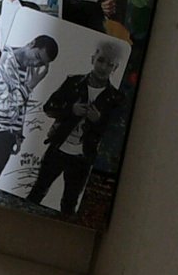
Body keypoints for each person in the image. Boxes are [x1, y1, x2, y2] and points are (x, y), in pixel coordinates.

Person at [27, 40, 123, 215]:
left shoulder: (115, 98)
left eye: (110, 64)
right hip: (58, 147)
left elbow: (115, 135)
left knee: (69, 203)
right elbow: (49, 107)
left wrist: (98, 120)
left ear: (115, 68)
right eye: (101, 60)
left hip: (83, 156)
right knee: (37, 191)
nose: (103, 67)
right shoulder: (73, 82)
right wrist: (70, 110)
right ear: (93, 59)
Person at [0, 35, 59, 186]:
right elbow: (2, 104)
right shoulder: (4, 60)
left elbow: (21, 106)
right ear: (31, 43)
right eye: (37, 56)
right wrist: (29, 86)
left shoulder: (30, 70)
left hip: (8, 135)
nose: (36, 63)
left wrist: (18, 134)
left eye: (41, 63)